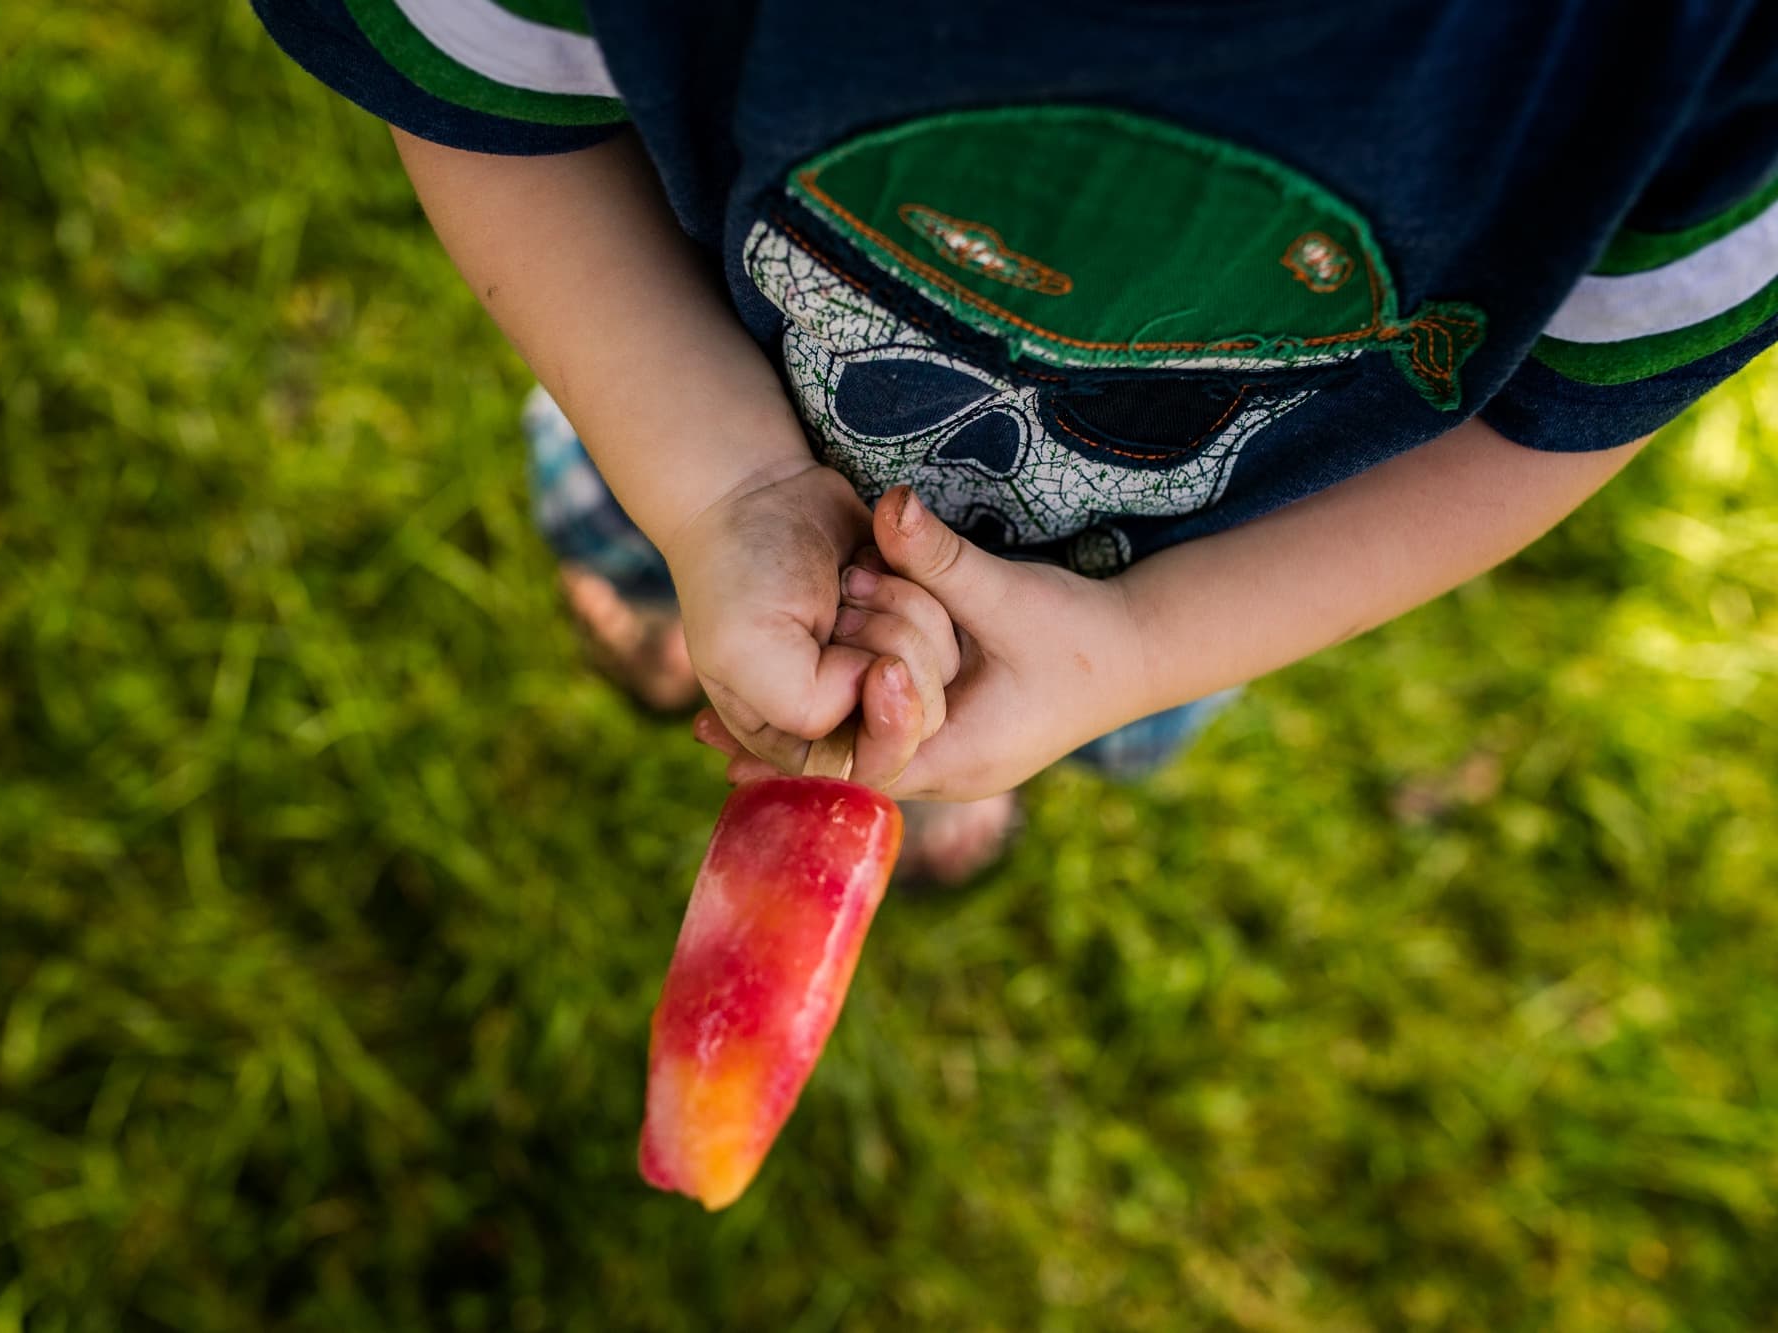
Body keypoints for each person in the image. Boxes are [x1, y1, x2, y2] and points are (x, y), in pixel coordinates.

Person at [253, 0, 1778, 881]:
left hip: (1187, 563)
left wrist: (1136, 643)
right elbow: (500, 86)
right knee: (639, 534)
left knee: (1039, 708)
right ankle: (672, 591)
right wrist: (718, 485)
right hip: (684, 380)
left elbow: (1563, 410)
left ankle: (984, 749)